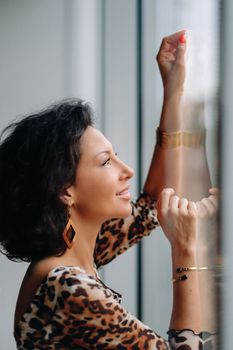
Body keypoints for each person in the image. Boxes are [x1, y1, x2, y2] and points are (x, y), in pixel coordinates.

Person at [0, 31, 217, 349]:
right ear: (65, 190)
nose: (127, 170)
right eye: (106, 162)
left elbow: (151, 204)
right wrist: (186, 250)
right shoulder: (68, 285)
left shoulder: (73, 254)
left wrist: (173, 91)